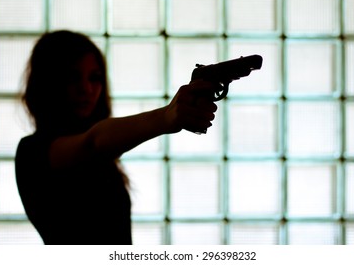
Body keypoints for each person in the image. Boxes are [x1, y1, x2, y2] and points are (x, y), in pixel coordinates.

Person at [15, 30, 218, 245]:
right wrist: (166, 117)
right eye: (72, 77)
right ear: (48, 83)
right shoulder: (32, 151)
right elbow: (93, 143)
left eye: (95, 78)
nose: (86, 88)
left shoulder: (101, 153)